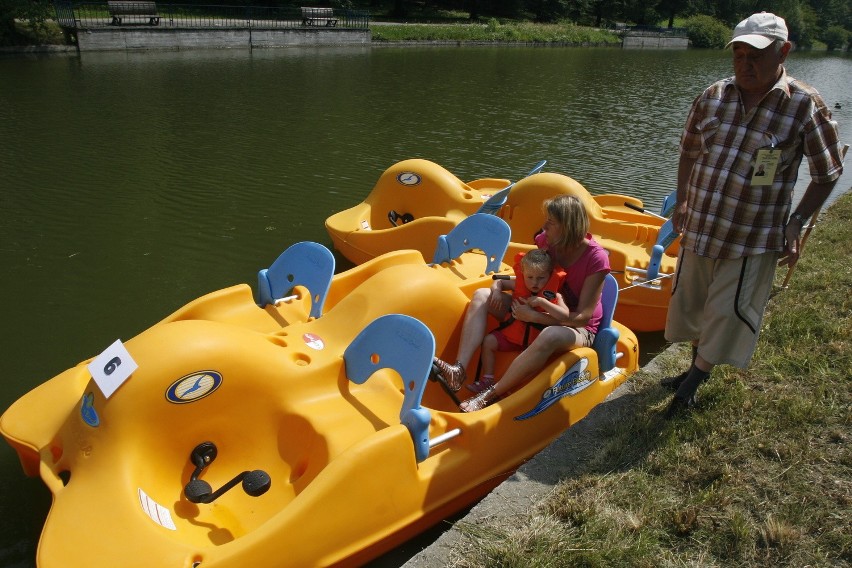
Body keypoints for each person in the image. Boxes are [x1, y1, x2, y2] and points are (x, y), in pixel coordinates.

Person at [662, 12, 844, 418]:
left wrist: (796, 221)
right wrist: (684, 200)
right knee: (695, 304)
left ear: (784, 51)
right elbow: (690, 151)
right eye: (739, 54)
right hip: (702, 223)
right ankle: (693, 366)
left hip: (753, 232)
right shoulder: (713, 95)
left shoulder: (803, 104)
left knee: (729, 311)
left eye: (756, 55)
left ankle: (691, 384)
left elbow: (828, 171)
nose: (745, 65)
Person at [432, 194, 611, 412]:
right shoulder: (547, 243)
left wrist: (535, 317)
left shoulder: (596, 258)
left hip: (576, 326)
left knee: (552, 334)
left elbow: (583, 316)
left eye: (551, 223)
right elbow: (530, 278)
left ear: (567, 227)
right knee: (481, 295)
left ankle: (490, 394)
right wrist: (499, 288)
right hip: (535, 308)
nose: (544, 227)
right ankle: (458, 371)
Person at [467, 249, 565, 394]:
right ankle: (487, 380)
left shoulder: (554, 293)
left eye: (541, 278)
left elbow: (564, 315)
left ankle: (513, 389)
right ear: (523, 273)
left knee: (532, 364)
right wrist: (496, 292)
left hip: (535, 342)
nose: (535, 283)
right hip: (512, 336)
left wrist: (543, 303)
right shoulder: (518, 283)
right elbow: (498, 281)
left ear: (550, 275)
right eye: (530, 277)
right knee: (488, 341)